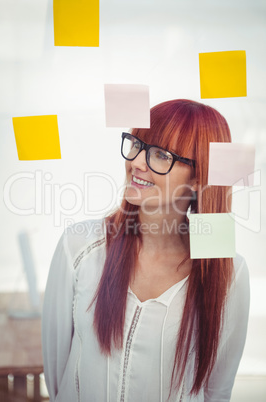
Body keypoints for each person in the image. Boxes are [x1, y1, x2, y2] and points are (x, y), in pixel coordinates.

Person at [42, 99, 250, 402]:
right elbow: (57, 374)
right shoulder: (79, 246)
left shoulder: (229, 273)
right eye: (137, 144)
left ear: (197, 178)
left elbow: (216, 391)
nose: (137, 162)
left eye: (160, 155)